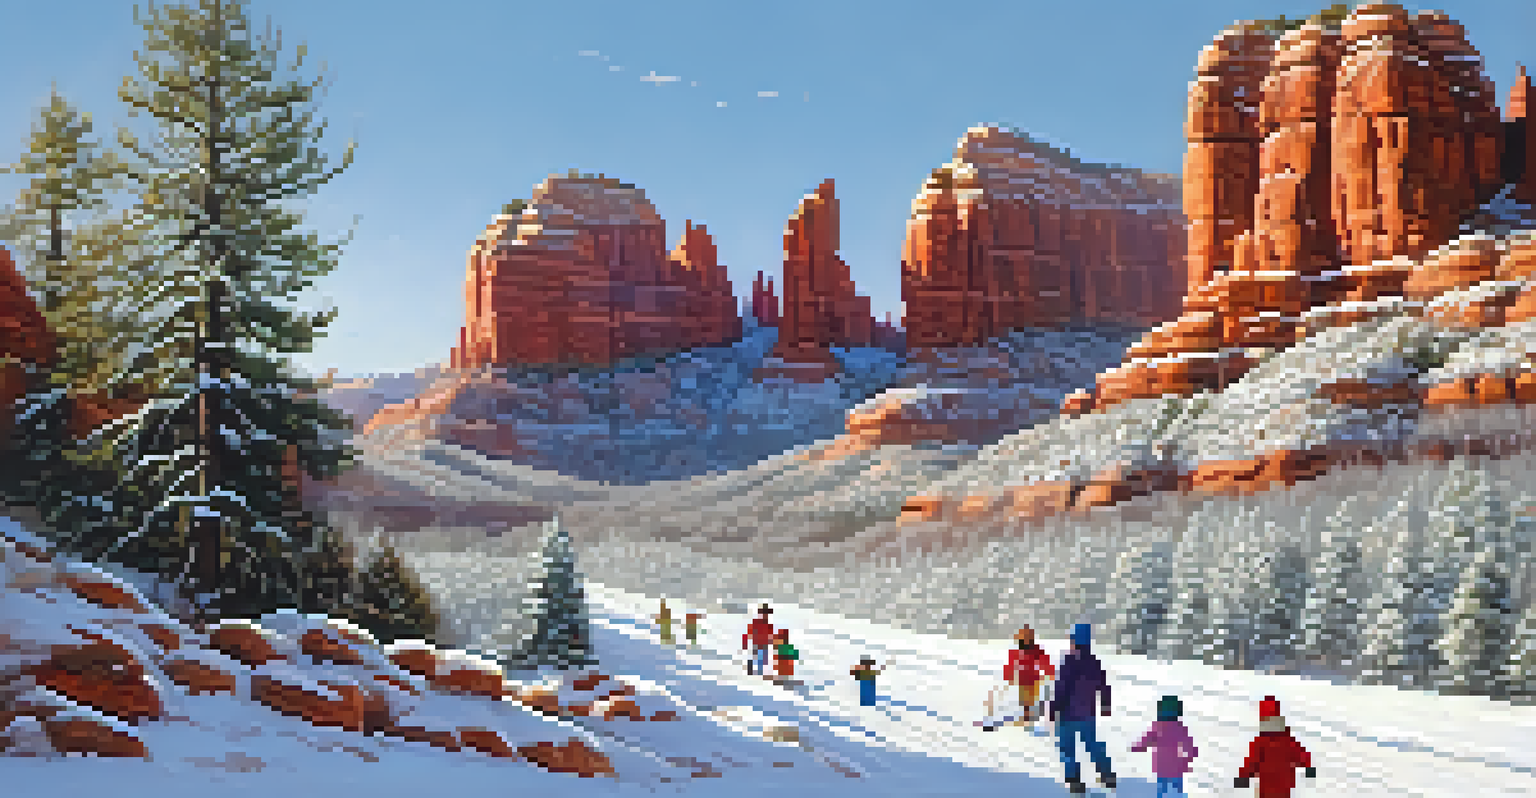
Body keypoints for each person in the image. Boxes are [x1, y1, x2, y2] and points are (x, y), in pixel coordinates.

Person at [1049, 623, 1116, 794]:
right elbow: (1104, 685)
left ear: (1074, 640)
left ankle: (1074, 780)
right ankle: (1107, 774)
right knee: (1092, 744)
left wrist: (1054, 708)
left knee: (1066, 747)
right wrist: (1106, 704)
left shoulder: (1069, 661)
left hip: (1066, 715)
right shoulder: (1094, 661)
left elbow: (1061, 687)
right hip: (1087, 714)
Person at [1235, 696, 1315, 798]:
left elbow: (1252, 761)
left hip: (1266, 787)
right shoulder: (1287, 739)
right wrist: (1308, 766)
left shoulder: (1261, 740)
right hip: (1284, 786)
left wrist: (1244, 776)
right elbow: (1301, 754)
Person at [1131, 695, 1199, 797]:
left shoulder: (1157, 726)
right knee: (1176, 791)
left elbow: (1147, 739)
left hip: (1161, 767)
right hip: (1177, 768)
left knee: (1161, 791)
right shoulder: (1180, 727)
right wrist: (1188, 759)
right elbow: (1189, 746)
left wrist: (1138, 747)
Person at [1004, 626, 1055, 723]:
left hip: (1033, 680)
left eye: (1028, 639)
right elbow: (1011, 664)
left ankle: (1033, 713)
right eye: (1023, 639)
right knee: (1024, 700)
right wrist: (1009, 676)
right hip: (1022, 680)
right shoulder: (1016, 652)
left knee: (1031, 699)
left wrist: (1049, 671)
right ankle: (1028, 714)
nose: (1026, 641)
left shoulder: (1036, 650)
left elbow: (1044, 661)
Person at [741, 604, 776, 676]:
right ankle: (755, 671)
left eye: (767, 613)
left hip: (764, 644)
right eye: (765, 613)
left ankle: (756, 671)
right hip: (758, 643)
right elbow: (749, 632)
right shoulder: (757, 622)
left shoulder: (768, 625)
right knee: (759, 659)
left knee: (762, 660)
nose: (766, 615)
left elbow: (770, 636)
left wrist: (772, 642)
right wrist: (745, 642)